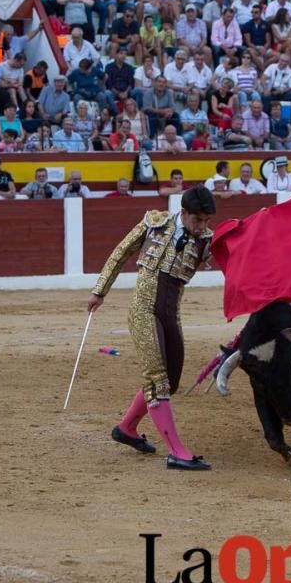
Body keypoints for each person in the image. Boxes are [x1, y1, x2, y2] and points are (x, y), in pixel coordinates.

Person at [88, 185, 217, 471]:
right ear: (183, 213)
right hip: (144, 310)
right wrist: (100, 291)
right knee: (158, 379)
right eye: (198, 220)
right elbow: (120, 253)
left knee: (170, 380)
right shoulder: (154, 224)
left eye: (207, 221)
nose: (203, 226)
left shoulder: (207, 240)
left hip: (171, 314)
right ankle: (177, 451)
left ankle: (127, 428)